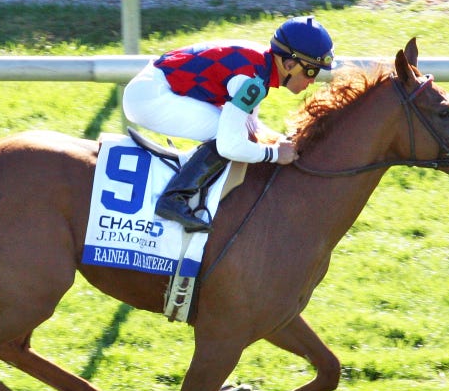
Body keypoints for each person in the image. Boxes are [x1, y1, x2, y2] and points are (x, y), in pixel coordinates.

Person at [122, 15, 337, 232]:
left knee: (236, 132)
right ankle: (174, 199)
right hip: (149, 97)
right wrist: (274, 154)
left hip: (152, 87)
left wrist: (283, 141)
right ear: (289, 64)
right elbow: (229, 145)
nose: (312, 80)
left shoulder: (260, 67)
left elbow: (251, 126)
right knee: (227, 135)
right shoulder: (253, 80)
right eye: (311, 71)